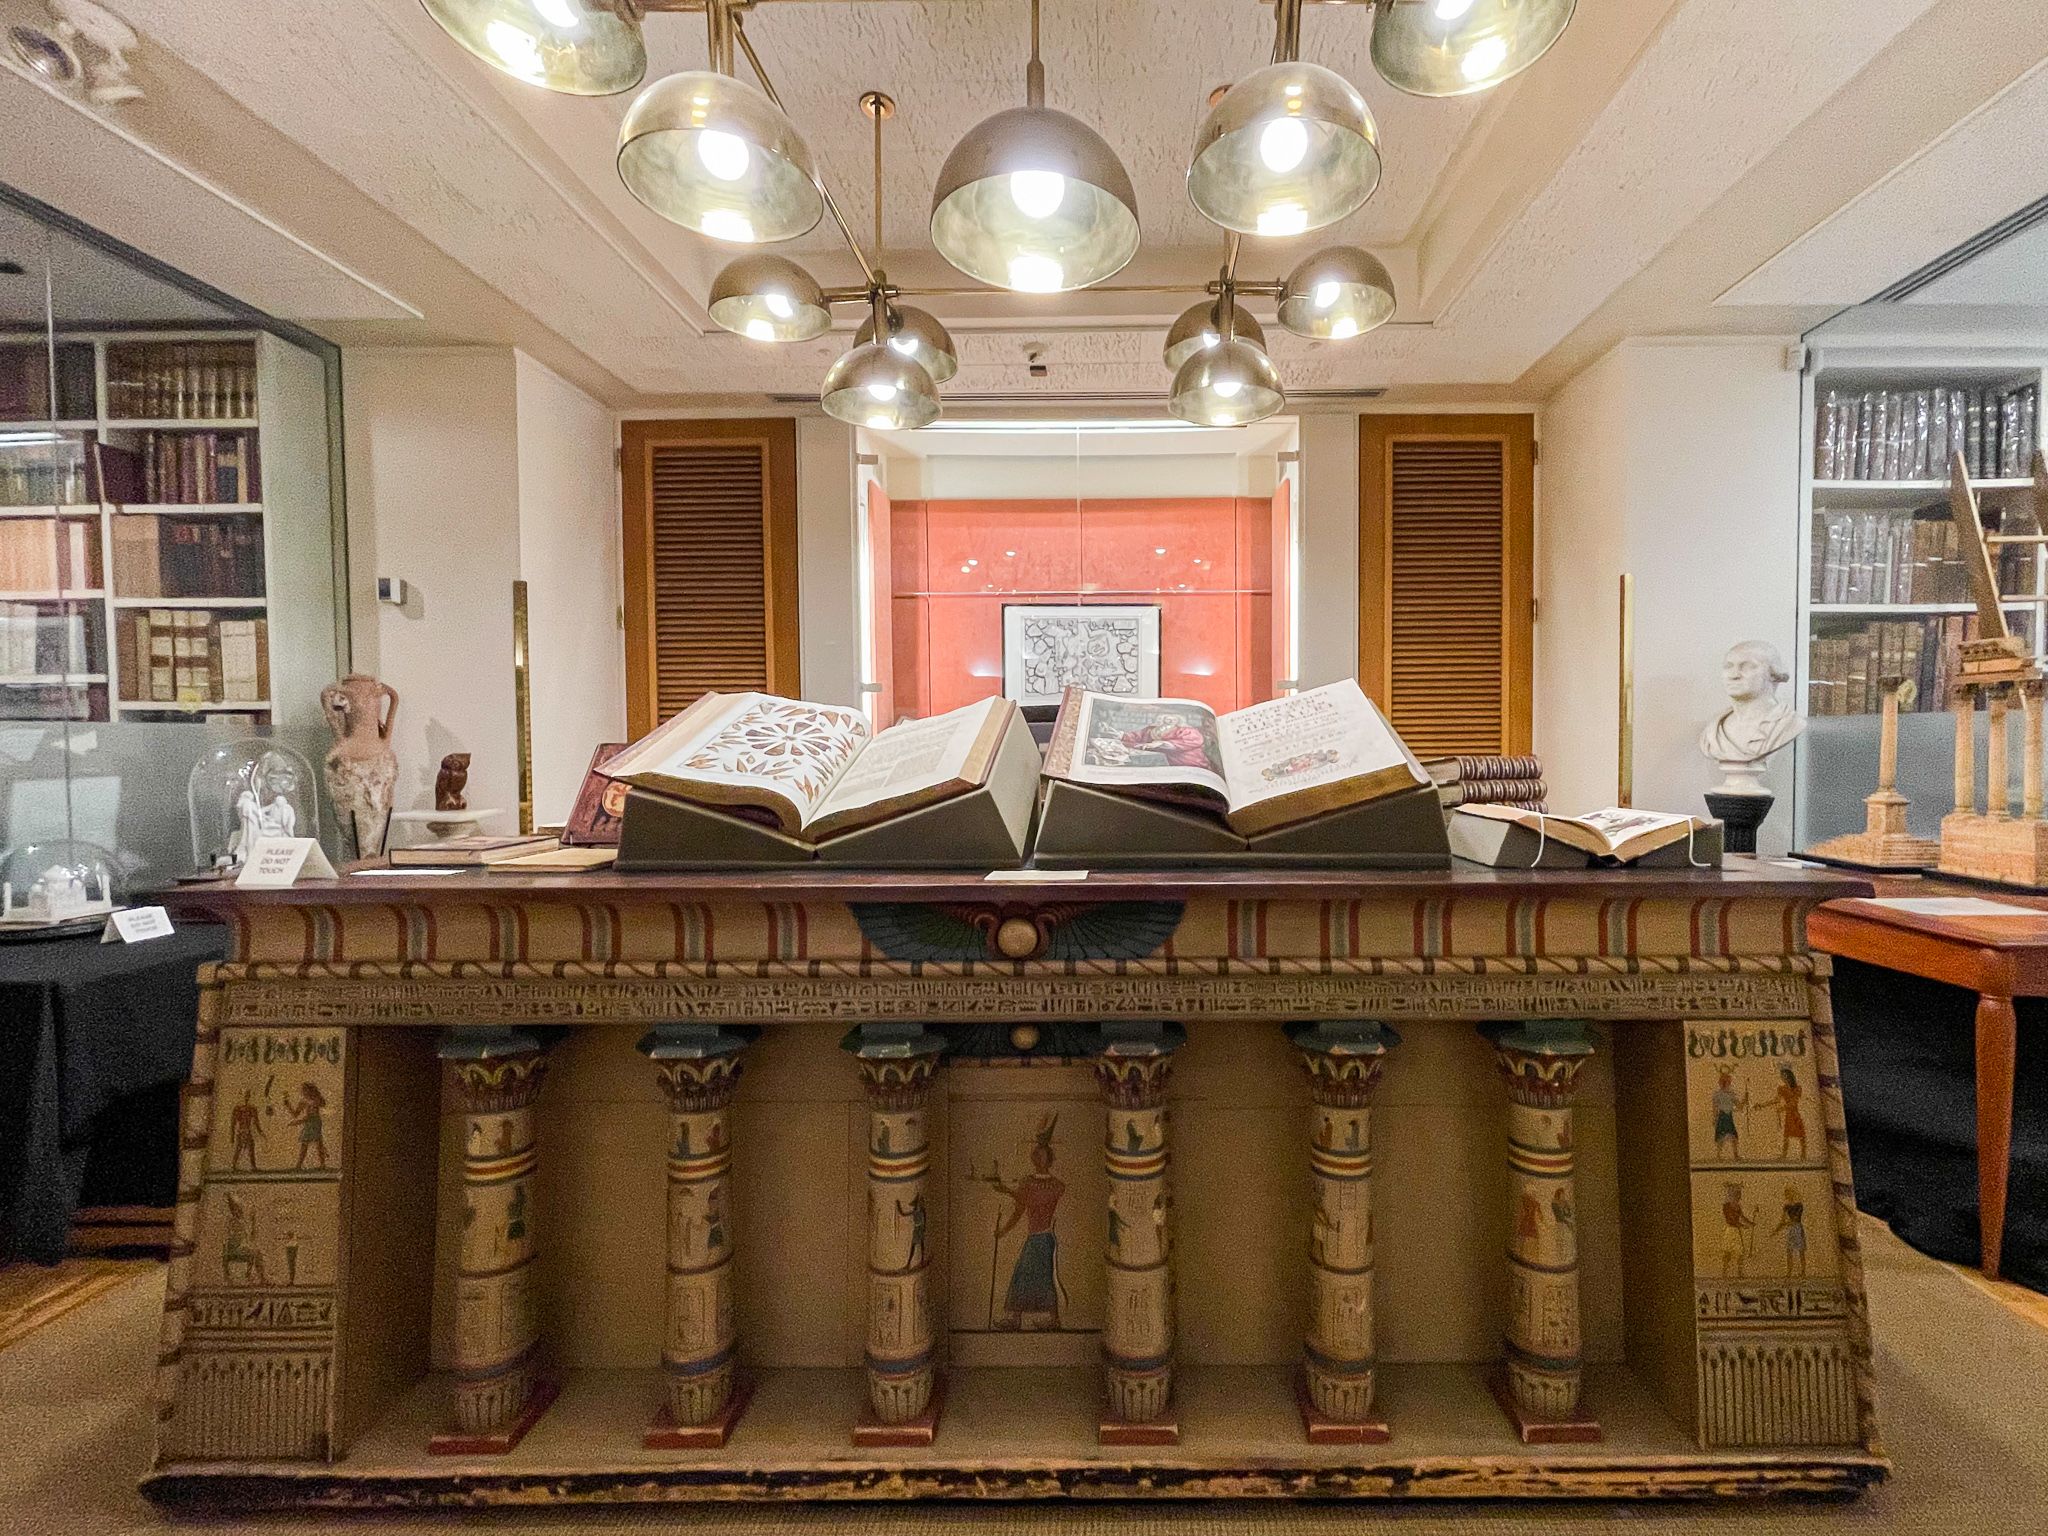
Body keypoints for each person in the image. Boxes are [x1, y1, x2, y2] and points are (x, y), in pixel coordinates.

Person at [988, 1116, 1067, 1330]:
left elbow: (1022, 1205)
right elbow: (1023, 1203)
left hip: (1041, 1238)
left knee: (1028, 1276)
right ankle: (1022, 1318)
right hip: (1041, 1238)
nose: (1039, 1158)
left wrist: (1003, 1230)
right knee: (1034, 1277)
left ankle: (1036, 1319)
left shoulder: (1040, 1185)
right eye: (1038, 1154)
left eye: (1043, 1155)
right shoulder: (1048, 1185)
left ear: (1046, 1159)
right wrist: (1008, 1191)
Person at [1698, 640, 1805, 772]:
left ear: (1773, 673)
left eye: (1748, 666)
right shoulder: (1713, 731)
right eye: (1728, 666)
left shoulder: (1789, 724)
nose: (1734, 675)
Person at [1772, 1066, 1808, 1161]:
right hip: (1788, 1114)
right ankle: (1784, 1155)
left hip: (1795, 1113)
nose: (1783, 1078)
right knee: (1786, 1135)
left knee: (1801, 1135)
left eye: (1784, 1076)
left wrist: (1782, 1108)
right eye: (1782, 1076)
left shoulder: (1797, 1088)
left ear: (1789, 1076)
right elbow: (1776, 1100)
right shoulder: (1781, 1089)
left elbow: (1794, 1102)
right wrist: (1762, 1105)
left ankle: (1803, 1155)